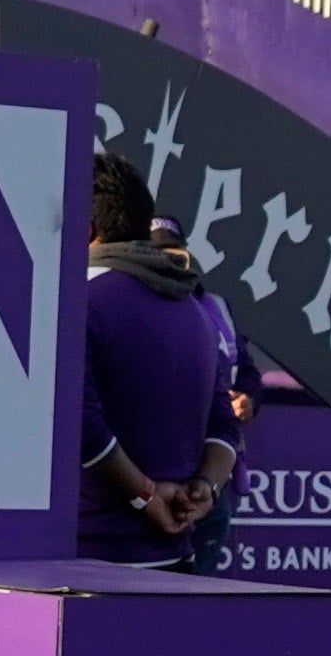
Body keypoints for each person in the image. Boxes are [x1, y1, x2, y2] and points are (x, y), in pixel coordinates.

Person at [80, 154, 244, 554]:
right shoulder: (198, 312)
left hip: (86, 562)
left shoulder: (76, 301)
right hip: (171, 560)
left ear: (86, 230)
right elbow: (223, 424)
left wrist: (146, 495)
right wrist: (205, 487)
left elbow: (79, 425)